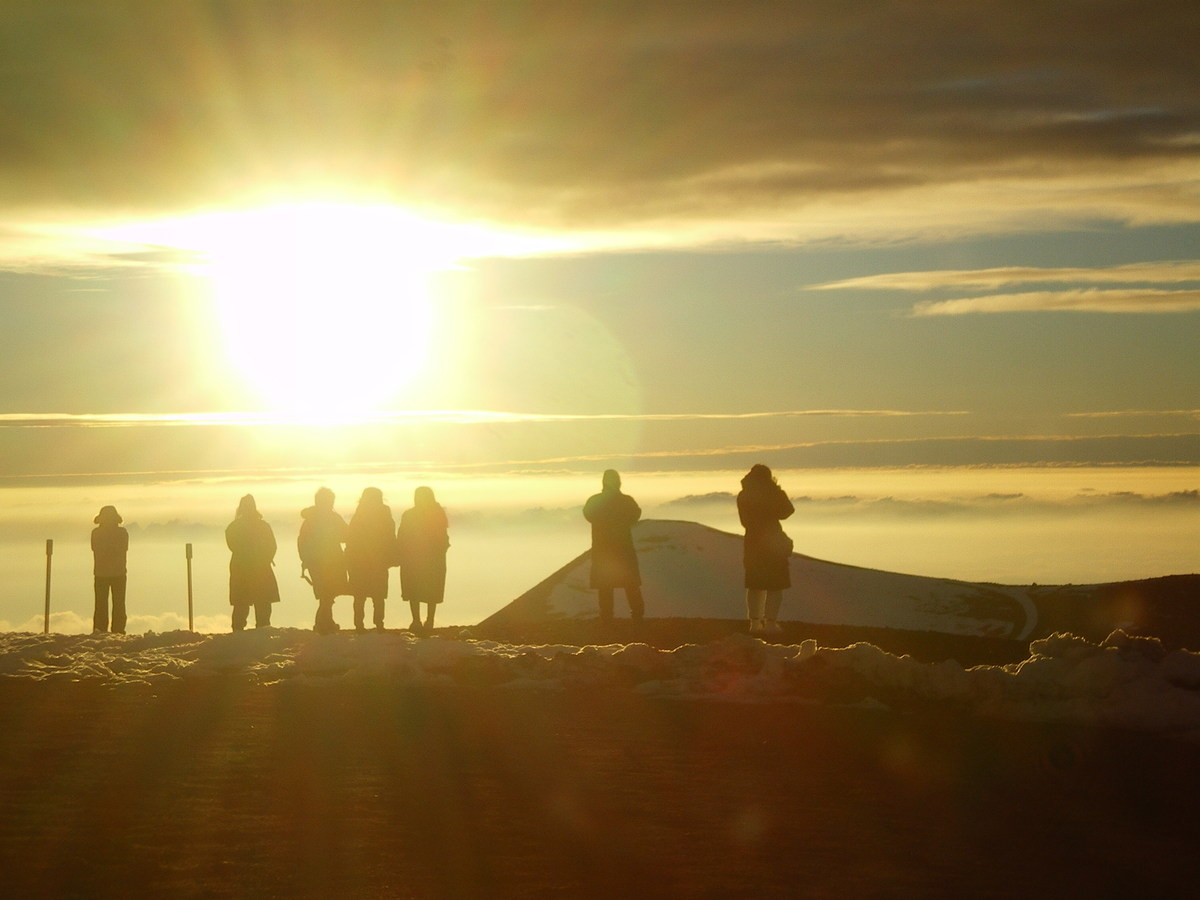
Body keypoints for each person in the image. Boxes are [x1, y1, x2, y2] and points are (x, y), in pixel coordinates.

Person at [737, 464, 795, 634]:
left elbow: (745, 522)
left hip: (753, 542)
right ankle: (770, 623)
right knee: (775, 585)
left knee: (755, 585)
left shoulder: (744, 495)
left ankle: (755, 623)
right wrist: (776, 492)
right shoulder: (773, 493)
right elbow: (787, 511)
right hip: (774, 540)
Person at [582, 469, 645, 621]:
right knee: (629, 583)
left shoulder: (595, 501)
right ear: (619, 482)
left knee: (605, 584)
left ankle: (606, 616)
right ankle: (637, 614)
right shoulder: (626, 501)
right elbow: (635, 514)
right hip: (623, 548)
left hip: (603, 548)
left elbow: (588, 514)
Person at [396, 486, 449, 633]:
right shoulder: (438, 513)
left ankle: (416, 621)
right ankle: (429, 621)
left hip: (413, 559)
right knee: (431, 589)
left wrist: (400, 554)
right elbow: (443, 537)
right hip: (433, 559)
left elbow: (402, 536)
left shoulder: (409, 514)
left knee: (414, 590)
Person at [225, 494, 280, 631]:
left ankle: (239, 632)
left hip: (243, 569)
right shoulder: (262, 526)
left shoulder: (233, 527)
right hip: (258, 569)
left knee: (243, 603)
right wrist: (264, 559)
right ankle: (260, 630)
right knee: (259, 603)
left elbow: (233, 546)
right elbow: (272, 546)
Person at [298, 487, 348, 634]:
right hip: (330, 561)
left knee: (326, 594)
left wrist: (306, 560)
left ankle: (326, 622)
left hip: (317, 562)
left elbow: (302, 541)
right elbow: (346, 535)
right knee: (328, 593)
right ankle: (322, 624)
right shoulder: (332, 517)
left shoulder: (310, 519)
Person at [346, 487, 396, 631]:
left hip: (358, 560)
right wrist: (392, 555)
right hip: (379, 559)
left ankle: (359, 625)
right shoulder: (384, 512)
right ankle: (379, 624)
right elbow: (390, 535)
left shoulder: (359, 513)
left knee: (359, 595)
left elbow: (351, 537)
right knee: (378, 595)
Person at [91, 505, 129, 634]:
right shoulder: (122, 533)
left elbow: (96, 549)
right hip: (118, 573)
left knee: (101, 604)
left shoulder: (96, 533)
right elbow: (123, 549)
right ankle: (118, 630)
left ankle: (100, 630)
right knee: (119, 603)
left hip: (101, 573)